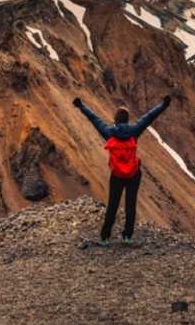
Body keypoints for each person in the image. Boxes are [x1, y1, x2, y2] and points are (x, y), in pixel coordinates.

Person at [73, 94, 171, 244]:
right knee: (130, 205)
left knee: (113, 205)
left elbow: (94, 119)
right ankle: (127, 236)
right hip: (133, 174)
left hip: (117, 175)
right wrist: (163, 105)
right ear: (127, 120)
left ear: (116, 120)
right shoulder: (134, 131)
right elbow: (150, 116)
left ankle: (105, 237)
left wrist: (81, 106)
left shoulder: (108, 133)